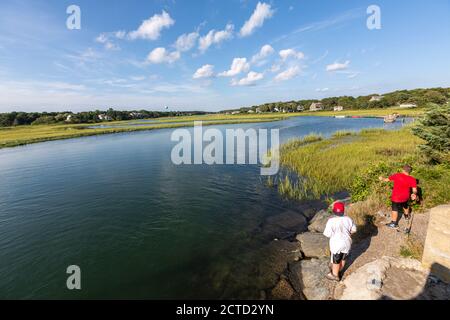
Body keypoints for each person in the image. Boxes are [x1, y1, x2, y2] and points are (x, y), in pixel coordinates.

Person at [323, 202, 357, 281]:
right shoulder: (348, 219)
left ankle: (335, 275)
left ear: (334, 211)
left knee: (336, 260)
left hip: (336, 244)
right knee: (343, 258)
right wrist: (347, 233)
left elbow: (327, 234)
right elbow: (354, 230)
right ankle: (340, 270)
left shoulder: (331, 221)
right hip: (347, 242)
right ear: (343, 211)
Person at [379, 165, 418, 229]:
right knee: (405, 206)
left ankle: (394, 224)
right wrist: (414, 194)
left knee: (395, 209)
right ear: (410, 171)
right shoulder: (412, 179)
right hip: (406, 196)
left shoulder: (397, 175)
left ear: (403, 170)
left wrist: (381, 178)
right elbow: (414, 190)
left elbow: (386, 180)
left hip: (396, 197)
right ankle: (407, 217)